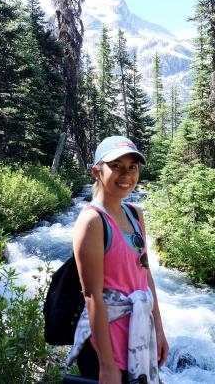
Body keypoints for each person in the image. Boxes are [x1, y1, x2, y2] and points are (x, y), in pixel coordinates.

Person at [66, 136, 169, 384]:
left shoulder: (135, 213)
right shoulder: (92, 222)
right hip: (106, 346)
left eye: (132, 167)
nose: (126, 174)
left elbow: (145, 275)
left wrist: (159, 329)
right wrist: (107, 365)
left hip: (139, 334)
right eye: (116, 166)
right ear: (96, 172)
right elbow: (93, 296)